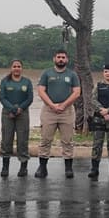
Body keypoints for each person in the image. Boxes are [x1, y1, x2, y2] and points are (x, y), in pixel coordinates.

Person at [35, 49, 81, 179]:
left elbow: (76, 92)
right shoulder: (46, 73)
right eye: (59, 57)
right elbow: (41, 91)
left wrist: (63, 105)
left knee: (68, 140)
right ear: (54, 59)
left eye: (63, 57)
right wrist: (52, 105)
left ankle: (68, 168)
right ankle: (42, 167)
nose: (61, 59)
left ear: (67, 60)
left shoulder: (72, 75)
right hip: (49, 111)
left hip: (66, 111)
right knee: (45, 139)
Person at [0, 59, 34, 178]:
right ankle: (5, 167)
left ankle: (23, 167)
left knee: (22, 140)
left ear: (22, 68)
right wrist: (12, 109)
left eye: (19, 66)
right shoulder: (5, 81)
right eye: (14, 66)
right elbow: (2, 98)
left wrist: (19, 109)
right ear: (11, 68)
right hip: (7, 114)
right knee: (6, 139)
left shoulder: (27, 82)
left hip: (22, 114)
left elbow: (30, 98)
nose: (17, 68)